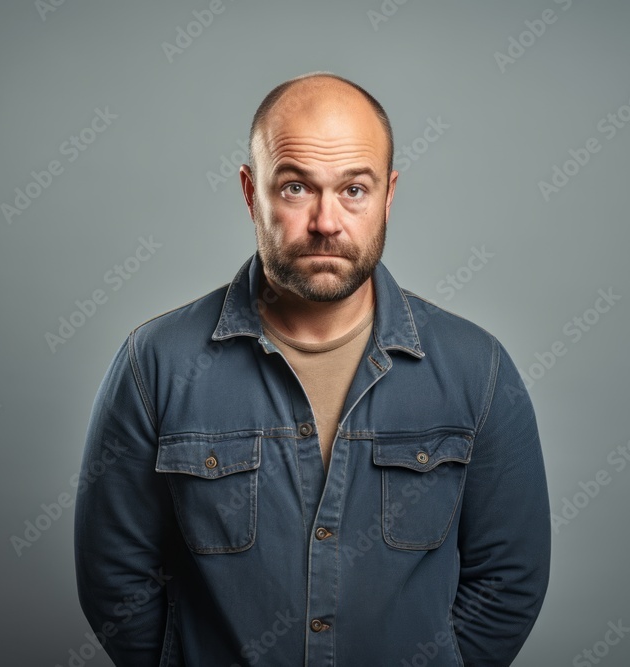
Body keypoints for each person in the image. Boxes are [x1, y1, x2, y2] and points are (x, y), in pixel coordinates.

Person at [74, 71, 550, 666]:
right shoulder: (156, 364)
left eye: (354, 189)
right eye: (297, 188)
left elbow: (508, 582)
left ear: (389, 195)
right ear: (251, 192)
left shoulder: (477, 370)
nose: (327, 222)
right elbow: (114, 580)